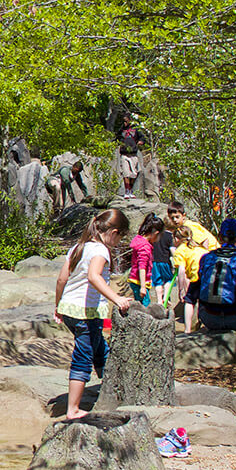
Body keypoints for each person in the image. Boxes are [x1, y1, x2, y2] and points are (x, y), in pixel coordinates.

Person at [54, 209, 132, 420]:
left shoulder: (78, 247)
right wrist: (117, 299)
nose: (118, 242)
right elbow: (93, 277)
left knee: (99, 348)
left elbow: (62, 279)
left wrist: (58, 306)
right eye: (120, 237)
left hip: (71, 309)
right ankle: (73, 409)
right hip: (85, 313)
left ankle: (111, 391)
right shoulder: (100, 250)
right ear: (113, 232)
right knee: (84, 356)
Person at [171, 225, 209, 334]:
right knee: (204, 300)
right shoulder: (198, 247)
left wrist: (181, 289)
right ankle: (205, 326)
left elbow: (181, 271)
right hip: (208, 275)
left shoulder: (180, 251)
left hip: (196, 276)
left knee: (189, 301)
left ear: (177, 239)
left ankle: (187, 329)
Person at [128, 213, 164, 306]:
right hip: (139, 282)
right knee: (145, 305)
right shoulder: (145, 247)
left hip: (136, 280)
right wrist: (143, 287)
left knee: (141, 303)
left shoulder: (139, 239)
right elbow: (142, 267)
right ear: (156, 233)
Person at [116, 113, 148, 198]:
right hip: (124, 154)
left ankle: (130, 190)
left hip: (133, 154)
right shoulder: (121, 130)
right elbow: (117, 138)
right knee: (126, 173)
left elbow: (143, 138)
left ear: (130, 120)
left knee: (133, 174)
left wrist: (141, 142)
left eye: (126, 121)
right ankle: (127, 191)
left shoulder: (136, 129)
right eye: (123, 121)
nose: (124, 123)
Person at [152, 216, 176, 311]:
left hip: (155, 262)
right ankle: (165, 298)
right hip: (165, 262)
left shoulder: (157, 235)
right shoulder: (170, 236)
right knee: (168, 280)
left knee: (157, 281)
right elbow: (172, 249)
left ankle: (159, 300)